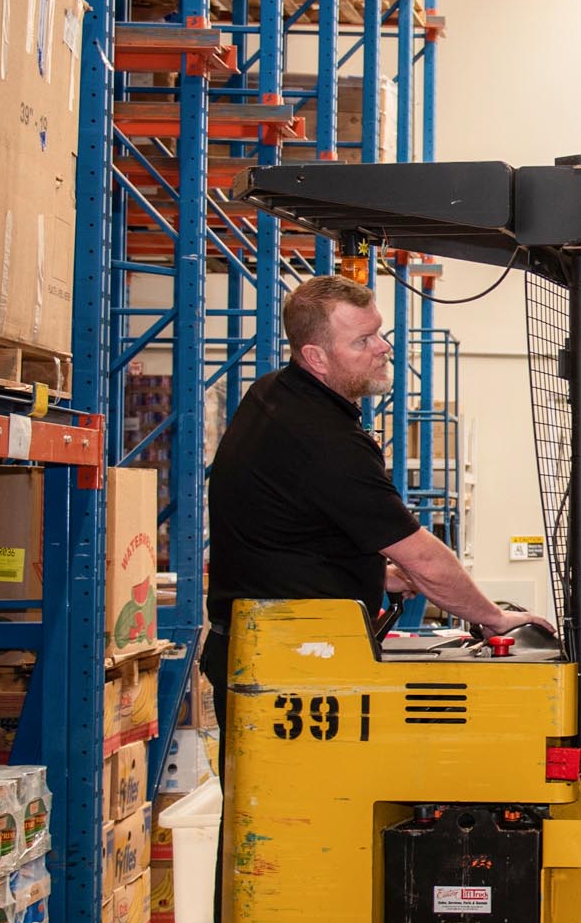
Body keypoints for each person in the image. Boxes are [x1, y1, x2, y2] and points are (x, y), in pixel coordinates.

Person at [203, 273, 539, 738]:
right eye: (362, 340)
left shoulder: (273, 394)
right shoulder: (324, 441)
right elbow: (421, 555)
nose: (382, 347)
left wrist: (371, 572)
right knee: (301, 807)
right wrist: (494, 617)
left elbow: (278, 524)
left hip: (271, 647)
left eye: (378, 331)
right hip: (288, 664)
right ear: (316, 358)